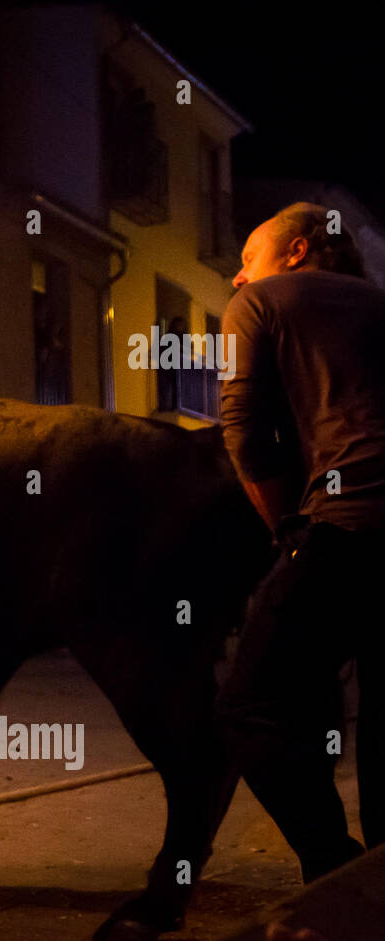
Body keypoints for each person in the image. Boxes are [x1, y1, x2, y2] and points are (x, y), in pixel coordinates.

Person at [216, 202, 385, 884]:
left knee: (250, 706)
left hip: (349, 526)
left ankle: (336, 873)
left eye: (250, 256)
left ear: (296, 251)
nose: (237, 276)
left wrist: (290, 528)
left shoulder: (263, 301)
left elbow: (245, 435)